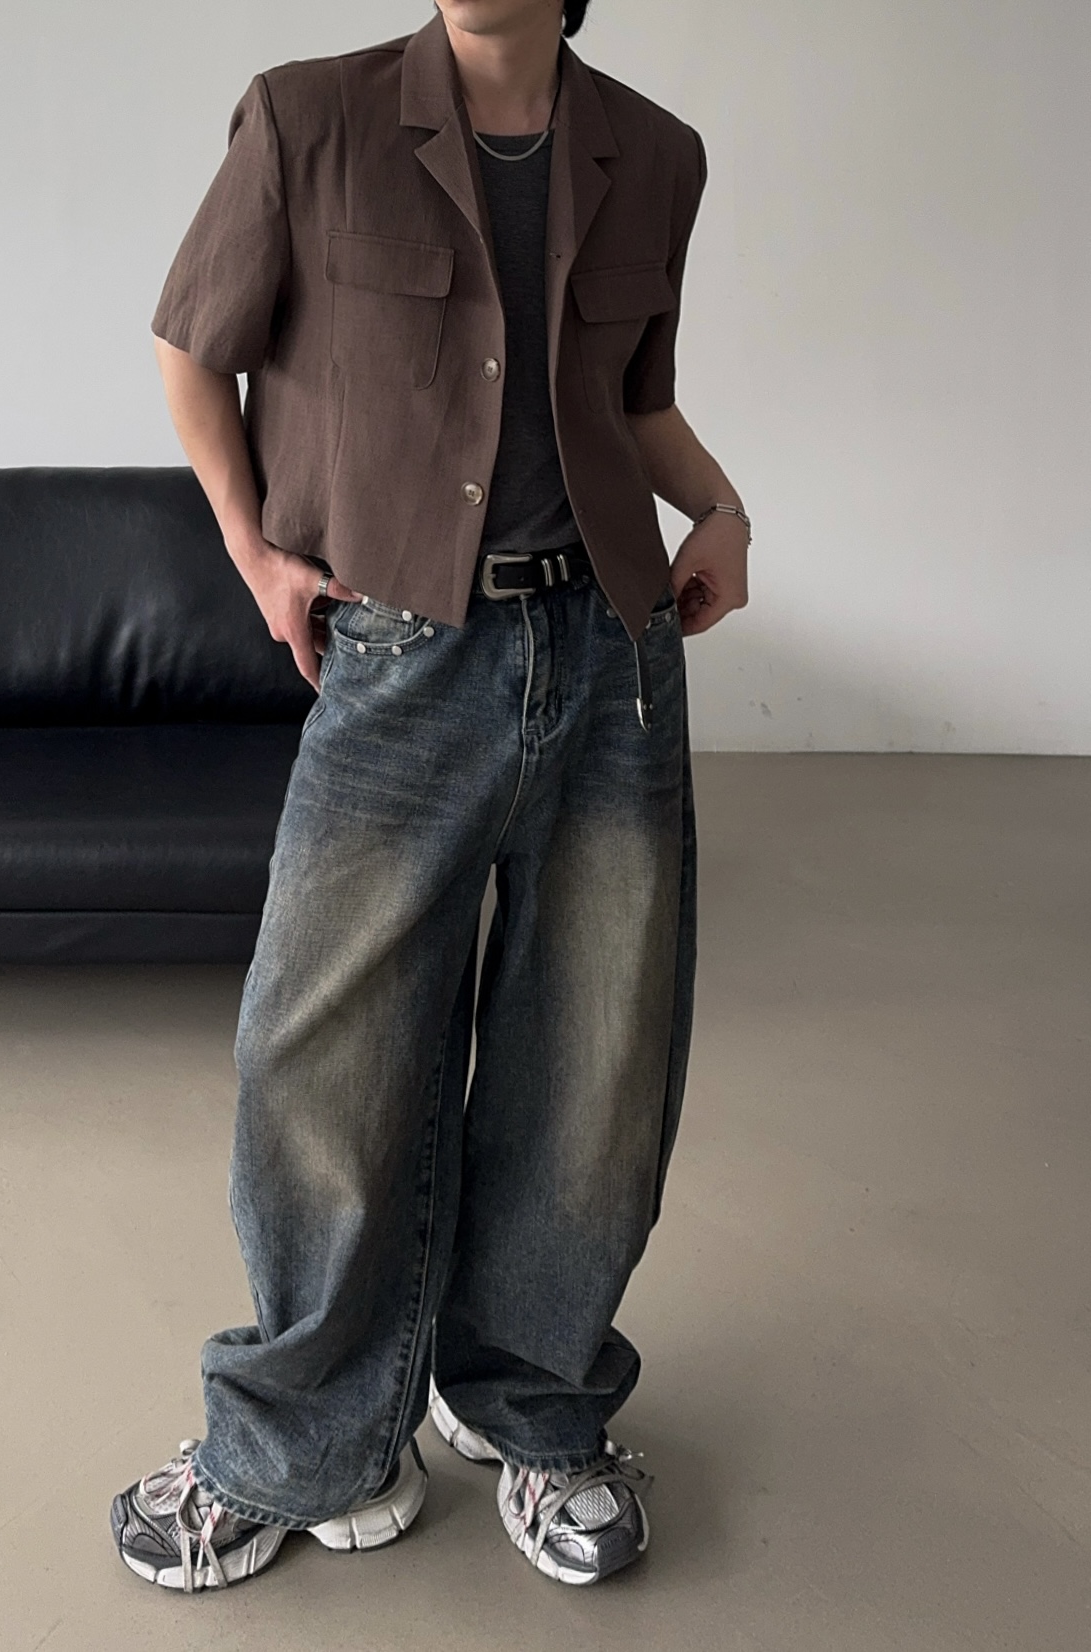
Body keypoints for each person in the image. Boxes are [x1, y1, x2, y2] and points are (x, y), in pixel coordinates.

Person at [111, 0, 749, 1592]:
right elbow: (192, 351)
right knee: (324, 1067)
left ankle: (532, 1405)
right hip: (401, 653)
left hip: (612, 651)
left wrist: (723, 506)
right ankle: (300, 1443)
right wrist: (257, 554)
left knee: (595, 1065)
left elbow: (635, 402)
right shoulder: (306, 120)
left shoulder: (655, 154)